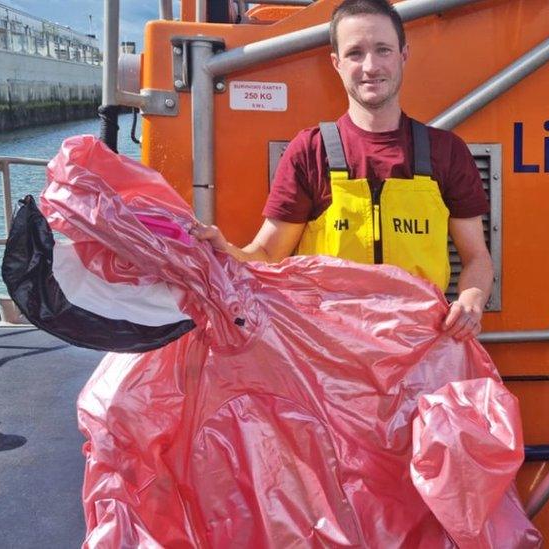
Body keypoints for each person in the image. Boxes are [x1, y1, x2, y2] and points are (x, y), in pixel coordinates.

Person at [192, 0, 492, 340]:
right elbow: (265, 255)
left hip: (420, 350)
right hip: (329, 356)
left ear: (403, 55)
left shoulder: (447, 151)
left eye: (383, 50)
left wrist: (470, 299)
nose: (370, 65)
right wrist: (222, 249)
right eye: (355, 53)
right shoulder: (310, 151)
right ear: (336, 63)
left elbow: (477, 258)